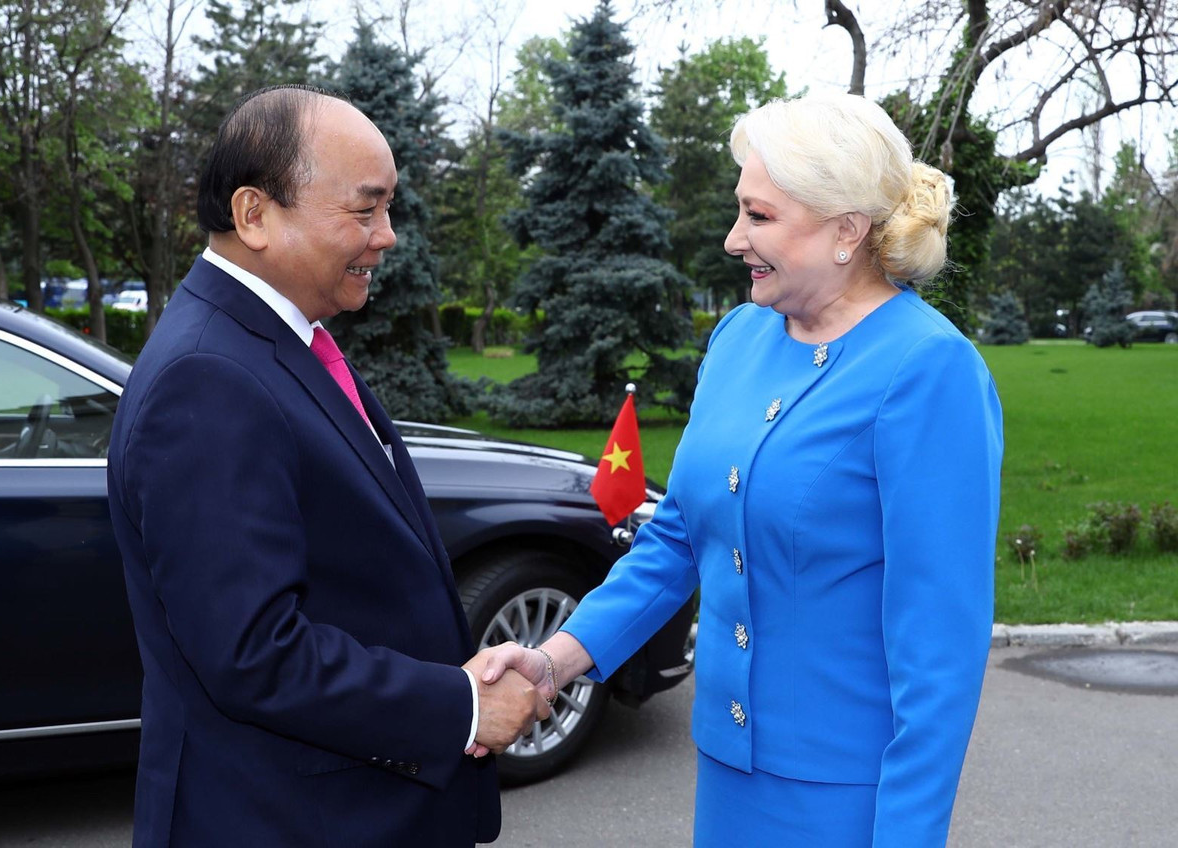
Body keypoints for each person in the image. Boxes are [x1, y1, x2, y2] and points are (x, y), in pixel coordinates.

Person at [478, 92, 1003, 847]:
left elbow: (940, 646)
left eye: (758, 216)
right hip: (729, 774)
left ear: (846, 230)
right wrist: (555, 662)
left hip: (848, 796)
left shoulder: (929, 368)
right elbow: (678, 539)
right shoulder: (738, 337)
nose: (733, 239)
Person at [107, 85, 547, 847]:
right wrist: (461, 706)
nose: (388, 236)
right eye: (365, 209)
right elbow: (253, 654)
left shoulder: (272, 341)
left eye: (389, 208)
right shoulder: (208, 377)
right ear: (254, 214)